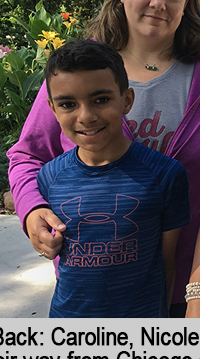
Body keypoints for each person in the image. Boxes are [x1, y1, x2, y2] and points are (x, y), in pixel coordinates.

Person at [7, 0, 200, 317]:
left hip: (194, 285)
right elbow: (26, 155)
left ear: (187, 1)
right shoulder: (82, 73)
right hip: (101, 289)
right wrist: (32, 210)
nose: (157, 2)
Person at [38, 39, 189, 317]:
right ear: (52, 108)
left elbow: (168, 263)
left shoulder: (165, 175)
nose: (86, 116)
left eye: (101, 99)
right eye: (68, 104)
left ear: (127, 100)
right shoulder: (50, 177)